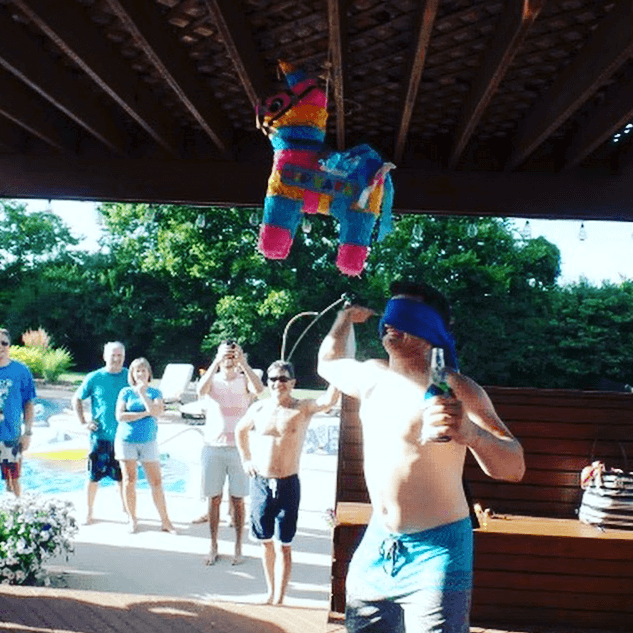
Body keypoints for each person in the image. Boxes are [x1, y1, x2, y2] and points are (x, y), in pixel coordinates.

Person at [317, 280, 526, 633]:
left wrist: (472, 434)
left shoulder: (458, 389)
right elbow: (329, 362)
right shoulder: (372, 377)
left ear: (432, 330)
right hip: (377, 544)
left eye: (407, 317)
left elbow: (515, 466)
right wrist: (343, 321)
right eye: (390, 316)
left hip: (437, 552)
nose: (392, 324)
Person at [235, 360, 339, 605]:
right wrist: (246, 459)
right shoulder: (258, 409)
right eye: (272, 379)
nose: (277, 383)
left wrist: (337, 371)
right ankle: (270, 592)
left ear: (293, 382)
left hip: (287, 483)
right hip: (260, 482)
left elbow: (328, 401)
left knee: (284, 545)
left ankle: (280, 598)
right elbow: (240, 431)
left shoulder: (301, 408)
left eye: (283, 379)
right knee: (265, 542)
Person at [196, 340, 265, 565]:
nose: (229, 359)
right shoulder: (212, 380)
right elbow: (200, 391)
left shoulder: (245, 379)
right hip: (213, 447)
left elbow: (260, 390)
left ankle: (238, 547)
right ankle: (213, 545)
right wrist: (217, 360)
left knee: (238, 500)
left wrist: (242, 362)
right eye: (226, 355)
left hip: (238, 448)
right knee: (213, 498)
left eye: (232, 355)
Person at [115, 357, 175, 534]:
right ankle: (132, 519)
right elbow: (120, 416)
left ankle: (165, 520)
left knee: (156, 481)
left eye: (143, 370)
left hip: (148, 441)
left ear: (149, 373)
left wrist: (142, 394)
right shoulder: (125, 392)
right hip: (126, 441)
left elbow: (157, 412)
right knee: (129, 480)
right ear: (132, 374)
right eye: (137, 371)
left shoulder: (155, 393)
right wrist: (144, 413)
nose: (140, 374)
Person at [72, 341, 128, 524]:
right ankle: (88, 511)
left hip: (124, 438)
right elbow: (77, 399)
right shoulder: (95, 377)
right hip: (100, 438)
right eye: (113, 355)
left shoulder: (129, 377)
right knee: (93, 476)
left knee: (123, 479)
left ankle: (126, 510)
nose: (117, 359)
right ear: (105, 356)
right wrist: (83, 422)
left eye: (120, 355)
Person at [0, 328, 36, 496]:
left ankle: (17, 516)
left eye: (4, 343)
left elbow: (28, 404)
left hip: (11, 436)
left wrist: (27, 432)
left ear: (9, 345)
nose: (0, 347)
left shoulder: (21, 371)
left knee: (13, 480)